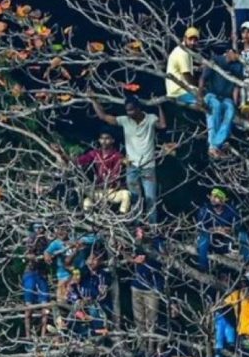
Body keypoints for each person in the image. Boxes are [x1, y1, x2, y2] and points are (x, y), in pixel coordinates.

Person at [90, 94, 167, 224]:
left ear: (138, 108)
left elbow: (163, 125)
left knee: (150, 199)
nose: (129, 113)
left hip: (148, 167)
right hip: (132, 167)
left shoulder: (150, 119)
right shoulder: (125, 120)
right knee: (135, 199)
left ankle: (152, 228)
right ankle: (136, 227)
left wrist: (159, 107)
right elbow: (103, 116)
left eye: (131, 109)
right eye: (127, 110)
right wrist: (93, 100)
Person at [55, 130, 131, 214]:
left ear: (112, 140)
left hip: (111, 191)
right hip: (97, 191)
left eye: (107, 138)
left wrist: (125, 162)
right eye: (102, 138)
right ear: (99, 140)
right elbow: (76, 161)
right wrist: (61, 154)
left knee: (126, 194)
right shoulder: (95, 154)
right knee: (86, 203)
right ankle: (90, 224)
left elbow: (123, 161)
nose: (104, 141)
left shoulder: (117, 155)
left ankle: (122, 220)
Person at [198, 47, 242, 157]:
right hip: (212, 94)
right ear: (228, 51)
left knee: (230, 112)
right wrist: (200, 97)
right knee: (215, 109)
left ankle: (215, 145)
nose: (236, 55)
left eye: (238, 53)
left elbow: (236, 87)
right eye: (234, 52)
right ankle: (214, 147)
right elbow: (203, 78)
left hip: (227, 98)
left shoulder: (238, 66)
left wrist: (236, 104)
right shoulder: (215, 60)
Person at [196, 188, 249, 271]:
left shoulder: (231, 210)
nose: (213, 198)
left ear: (223, 199)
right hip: (211, 241)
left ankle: (248, 263)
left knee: (243, 234)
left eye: (217, 196)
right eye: (212, 196)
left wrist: (229, 230)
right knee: (203, 238)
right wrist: (217, 229)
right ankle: (203, 268)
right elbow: (201, 227)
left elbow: (238, 226)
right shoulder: (205, 210)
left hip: (227, 241)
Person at [129, 226, 165, 356]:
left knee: (151, 320)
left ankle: (151, 349)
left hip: (152, 288)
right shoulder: (136, 243)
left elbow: (161, 258)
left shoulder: (157, 243)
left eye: (141, 231)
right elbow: (129, 255)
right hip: (137, 286)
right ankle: (141, 347)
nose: (140, 233)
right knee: (139, 319)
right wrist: (133, 260)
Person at [23, 223, 51, 337]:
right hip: (30, 273)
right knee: (28, 306)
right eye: (36, 228)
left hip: (42, 275)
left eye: (41, 227)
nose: (39, 230)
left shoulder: (47, 240)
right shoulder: (31, 239)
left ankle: (43, 335)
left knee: (45, 307)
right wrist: (31, 255)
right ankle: (28, 335)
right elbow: (26, 254)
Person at [166, 27, 201, 105]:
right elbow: (186, 75)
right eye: (190, 39)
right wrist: (199, 86)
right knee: (208, 101)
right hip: (179, 92)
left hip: (181, 89)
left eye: (195, 40)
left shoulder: (186, 51)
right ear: (184, 38)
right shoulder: (182, 53)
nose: (192, 42)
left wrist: (198, 68)